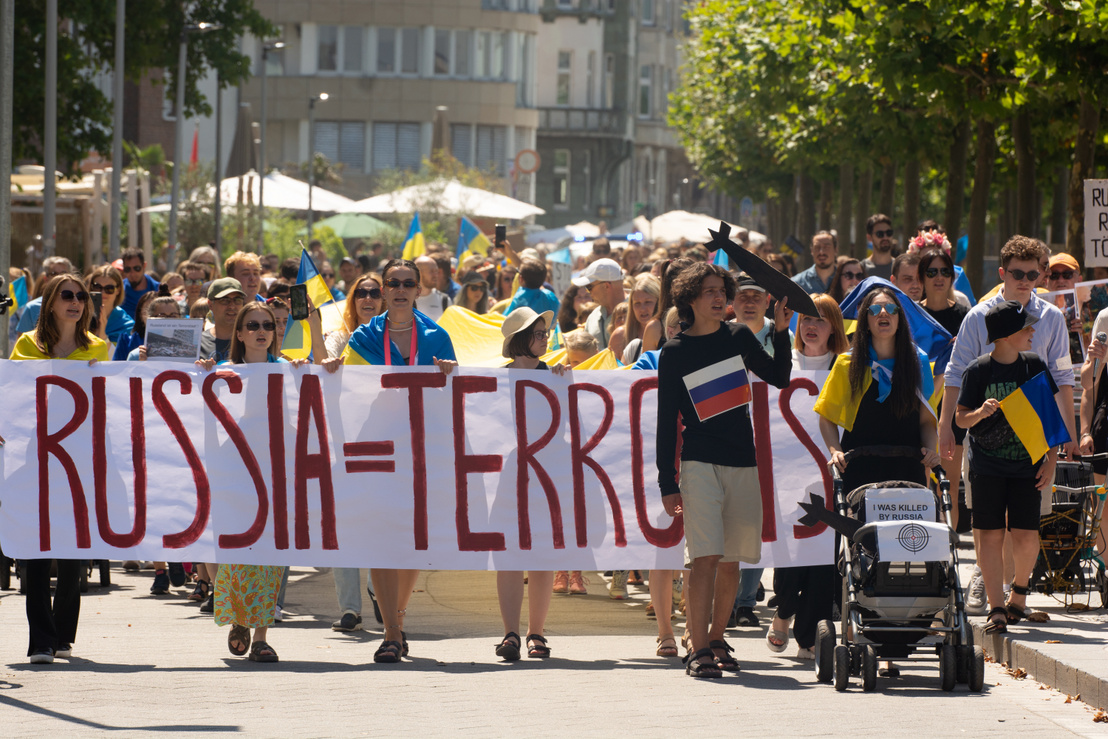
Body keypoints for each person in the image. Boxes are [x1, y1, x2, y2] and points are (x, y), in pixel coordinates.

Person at [656, 262, 793, 678]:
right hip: (697, 464)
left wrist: (783, 332)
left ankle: (716, 638)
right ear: (690, 299)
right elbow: (666, 423)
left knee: (732, 559)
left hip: (742, 462)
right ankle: (696, 648)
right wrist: (667, 481)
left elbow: (780, 377)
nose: (720, 298)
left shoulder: (739, 337)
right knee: (705, 558)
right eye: (710, 291)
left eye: (722, 290)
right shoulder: (674, 352)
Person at [939, 235, 1075, 616]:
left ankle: (1014, 595)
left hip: (1034, 438)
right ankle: (990, 584)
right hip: (984, 439)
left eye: (1034, 273)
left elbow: (1062, 378)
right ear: (1002, 272)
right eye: (1018, 273)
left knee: (1026, 525)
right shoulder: (978, 317)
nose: (1026, 280)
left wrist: (1064, 438)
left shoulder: (1050, 318)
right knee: (987, 522)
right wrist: (946, 427)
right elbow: (954, 374)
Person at [339, 258, 458, 664]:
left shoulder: (437, 337)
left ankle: (397, 619)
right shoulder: (364, 336)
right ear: (384, 290)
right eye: (393, 283)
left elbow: (451, 397)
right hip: (376, 448)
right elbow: (348, 394)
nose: (401, 289)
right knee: (380, 540)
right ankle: (390, 632)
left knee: (410, 545)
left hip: (421, 449)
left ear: (420, 289)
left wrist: (449, 374)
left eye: (409, 283)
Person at [11, 274, 110, 663]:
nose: (75, 302)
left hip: (81, 457)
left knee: (73, 549)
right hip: (34, 456)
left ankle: (63, 629)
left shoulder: (98, 348)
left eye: (81, 297)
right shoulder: (26, 345)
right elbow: (17, 394)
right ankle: (41, 639)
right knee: (34, 546)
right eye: (66, 295)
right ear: (50, 302)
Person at [211, 302, 312, 663]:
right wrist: (202, 375)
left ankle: (261, 635)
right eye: (252, 324)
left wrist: (310, 371)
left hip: (275, 469)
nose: (260, 330)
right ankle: (239, 617)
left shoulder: (288, 370)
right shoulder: (222, 373)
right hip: (236, 470)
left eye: (267, 325)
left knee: (271, 554)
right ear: (239, 333)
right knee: (238, 551)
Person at [955, 300, 1061, 634]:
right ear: (1005, 335)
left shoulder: (1033, 365)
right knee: (990, 536)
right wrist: (979, 414)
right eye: (1026, 328)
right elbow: (961, 418)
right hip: (986, 467)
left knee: (1027, 536)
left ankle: (1019, 594)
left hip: (1027, 466)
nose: (1033, 332)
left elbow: (1050, 419)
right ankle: (996, 607)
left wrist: (1052, 462)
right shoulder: (978, 370)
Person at [767, 294, 847, 659]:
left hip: (829, 475)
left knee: (821, 559)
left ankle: (809, 637)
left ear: (835, 328)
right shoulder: (780, 362)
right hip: (785, 475)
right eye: (805, 319)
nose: (811, 326)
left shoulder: (847, 367)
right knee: (789, 555)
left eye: (821, 320)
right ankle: (783, 612)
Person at [494, 307, 566, 661]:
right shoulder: (494, 380)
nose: (545, 338)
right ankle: (510, 633)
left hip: (544, 476)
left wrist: (564, 382)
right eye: (538, 333)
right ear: (520, 338)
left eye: (545, 333)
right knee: (509, 555)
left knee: (541, 554)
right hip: (507, 477)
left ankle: (536, 632)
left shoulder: (555, 374)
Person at [917, 248, 971, 529]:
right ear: (921, 277)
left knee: (947, 489)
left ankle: (947, 561)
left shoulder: (966, 316)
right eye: (932, 272)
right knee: (921, 488)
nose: (939, 277)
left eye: (945, 271)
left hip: (951, 410)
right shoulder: (911, 316)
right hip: (918, 407)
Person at [81, 264, 135, 352]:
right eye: (97, 287)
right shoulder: (79, 317)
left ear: (118, 290)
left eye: (109, 288)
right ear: (91, 288)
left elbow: (122, 359)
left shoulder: (127, 325)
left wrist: (103, 335)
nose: (102, 292)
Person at [573, 258, 625, 348]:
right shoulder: (593, 317)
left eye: (589, 287)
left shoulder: (636, 311)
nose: (588, 292)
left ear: (606, 286)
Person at [617, 273, 663, 363]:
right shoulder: (620, 336)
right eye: (637, 303)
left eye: (648, 302)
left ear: (660, 302)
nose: (642, 309)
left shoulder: (671, 334)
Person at [120, 247, 160, 318]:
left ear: (144, 266)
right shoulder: (118, 291)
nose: (132, 273)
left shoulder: (158, 290)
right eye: (127, 269)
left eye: (137, 268)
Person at [414, 255, 450, 320]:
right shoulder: (405, 299)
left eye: (436, 271)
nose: (436, 275)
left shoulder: (445, 300)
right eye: (432, 271)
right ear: (418, 273)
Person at [861, 214, 896, 279]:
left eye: (889, 233)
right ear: (869, 237)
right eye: (880, 234)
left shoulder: (899, 267)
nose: (885, 237)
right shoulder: (861, 269)